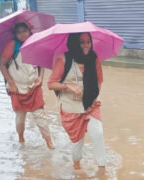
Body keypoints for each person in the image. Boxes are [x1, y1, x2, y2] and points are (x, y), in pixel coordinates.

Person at [48, 32, 106, 174]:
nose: (87, 45)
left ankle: (102, 170)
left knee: (97, 133)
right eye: (82, 42)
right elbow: (51, 84)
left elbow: (99, 81)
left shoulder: (93, 58)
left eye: (88, 41)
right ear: (75, 43)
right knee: (77, 143)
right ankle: (77, 166)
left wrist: (93, 99)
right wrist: (68, 86)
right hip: (71, 108)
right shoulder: (63, 59)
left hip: (91, 105)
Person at [0, 22, 53, 149]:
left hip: (34, 86)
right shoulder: (12, 45)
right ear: (15, 34)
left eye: (24, 31)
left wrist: (40, 77)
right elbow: (2, 64)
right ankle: (21, 139)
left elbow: (41, 62)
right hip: (17, 88)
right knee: (20, 117)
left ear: (30, 31)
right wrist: (11, 83)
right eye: (19, 32)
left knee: (40, 116)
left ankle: (49, 142)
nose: (22, 34)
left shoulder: (35, 43)